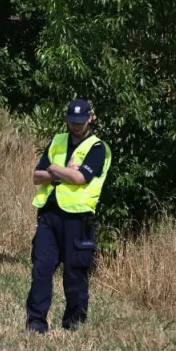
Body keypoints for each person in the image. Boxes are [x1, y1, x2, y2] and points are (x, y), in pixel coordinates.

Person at [26, 98, 109, 334]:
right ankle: (35, 324)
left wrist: (53, 170)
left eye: (80, 122)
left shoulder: (97, 148)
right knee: (41, 270)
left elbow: (81, 178)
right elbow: (36, 177)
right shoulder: (57, 141)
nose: (76, 126)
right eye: (72, 121)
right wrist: (59, 172)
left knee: (75, 274)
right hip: (49, 216)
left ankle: (74, 324)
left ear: (91, 118)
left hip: (78, 219)